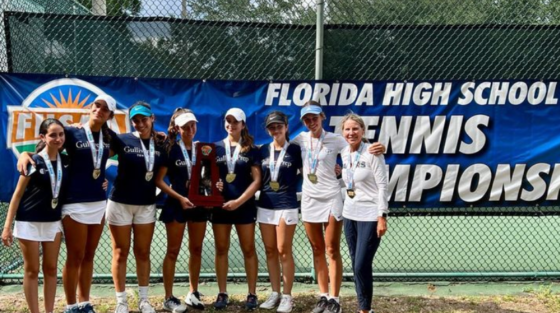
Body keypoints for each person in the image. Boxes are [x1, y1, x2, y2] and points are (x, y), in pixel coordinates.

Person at [16, 95, 117, 313]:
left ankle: (84, 302)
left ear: (110, 115)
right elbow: (46, 148)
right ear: (91, 108)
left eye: (105, 108)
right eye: (96, 105)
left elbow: (128, 146)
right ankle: (71, 305)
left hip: (99, 202)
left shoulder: (110, 137)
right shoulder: (71, 132)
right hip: (74, 203)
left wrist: (158, 135)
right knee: (76, 256)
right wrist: (25, 154)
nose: (99, 110)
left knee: (89, 255)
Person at [291, 101, 384, 313]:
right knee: (317, 249)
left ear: (322, 117)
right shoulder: (299, 140)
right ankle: (323, 296)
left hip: (333, 197)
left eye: (314, 117)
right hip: (309, 199)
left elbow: (359, 149)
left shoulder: (337, 139)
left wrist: (379, 146)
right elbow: (278, 148)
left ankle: (335, 299)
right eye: (307, 119)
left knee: (332, 249)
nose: (311, 122)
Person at [2, 118, 69, 313]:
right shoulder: (33, 161)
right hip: (28, 222)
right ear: (43, 137)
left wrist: (102, 184)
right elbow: (17, 195)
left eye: (61, 134)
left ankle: (48, 311)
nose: (58, 138)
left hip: (53, 222)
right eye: (52, 135)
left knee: (51, 269)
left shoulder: (67, 161)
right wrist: (7, 227)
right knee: (31, 270)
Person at [106, 102, 167, 313]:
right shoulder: (122, 139)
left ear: (152, 119)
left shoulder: (161, 144)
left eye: (144, 119)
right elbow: (95, 156)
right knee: (120, 252)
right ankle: (121, 302)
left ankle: (144, 300)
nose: (140, 124)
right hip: (120, 203)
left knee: (143, 253)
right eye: (136, 120)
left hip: (146, 205)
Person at [154, 108, 206, 312]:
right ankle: (168, 297)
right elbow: (159, 181)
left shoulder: (203, 149)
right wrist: (180, 197)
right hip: (177, 204)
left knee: (196, 249)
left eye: (193, 125)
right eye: (186, 127)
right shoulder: (171, 149)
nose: (191, 129)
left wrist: (213, 188)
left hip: (199, 204)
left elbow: (208, 176)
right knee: (173, 251)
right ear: (178, 128)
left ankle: (193, 293)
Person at [211, 108, 261, 310]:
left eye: (236, 121)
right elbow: (206, 178)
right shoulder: (214, 148)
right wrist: (213, 186)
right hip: (220, 207)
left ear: (243, 124)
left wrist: (239, 201)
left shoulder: (251, 149)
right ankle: (222, 292)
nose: (231, 124)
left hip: (244, 206)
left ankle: (252, 293)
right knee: (221, 249)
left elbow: (257, 181)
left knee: (248, 249)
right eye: (228, 120)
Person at [339, 113, 388, 313]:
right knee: (356, 264)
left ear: (362, 131)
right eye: (347, 129)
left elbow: (383, 186)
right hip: (349, 215)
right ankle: (364, 309)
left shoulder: (373, 152)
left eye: (355, 129)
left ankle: (365, 308)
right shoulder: (343, 153)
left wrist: (381, 216)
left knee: (361, 265)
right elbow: (349, 180)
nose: (351, 133)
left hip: (370, 216)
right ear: (343, 132)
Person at [256, 111, 302, 313]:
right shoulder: (262, 150)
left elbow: (311, 169)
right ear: (268, 129)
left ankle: (287, 295)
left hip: (287, 204)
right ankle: (275, 292)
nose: (276, 130)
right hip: (266, 204)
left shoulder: (296, 150)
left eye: (279, 126)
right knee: (270, 250)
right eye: (272, 127)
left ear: (286, 127)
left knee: (284, 250)